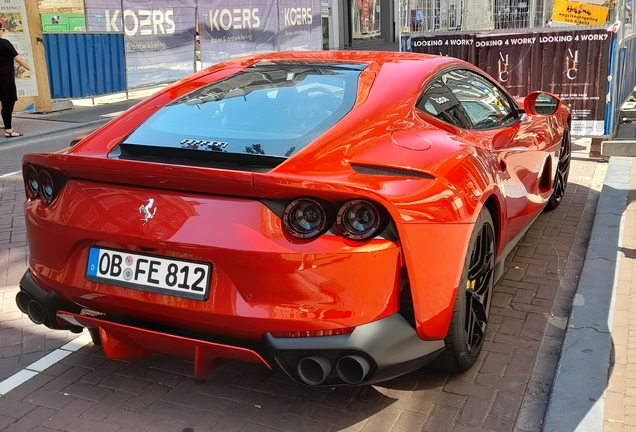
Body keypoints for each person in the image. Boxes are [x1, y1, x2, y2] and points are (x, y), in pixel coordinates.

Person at [0, 22, 30, 138]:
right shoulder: (4, 43)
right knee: (8, 103)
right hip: (5, 79)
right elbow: (19, 59)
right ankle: (9, 130)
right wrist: (30, 68)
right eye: (3, 29)